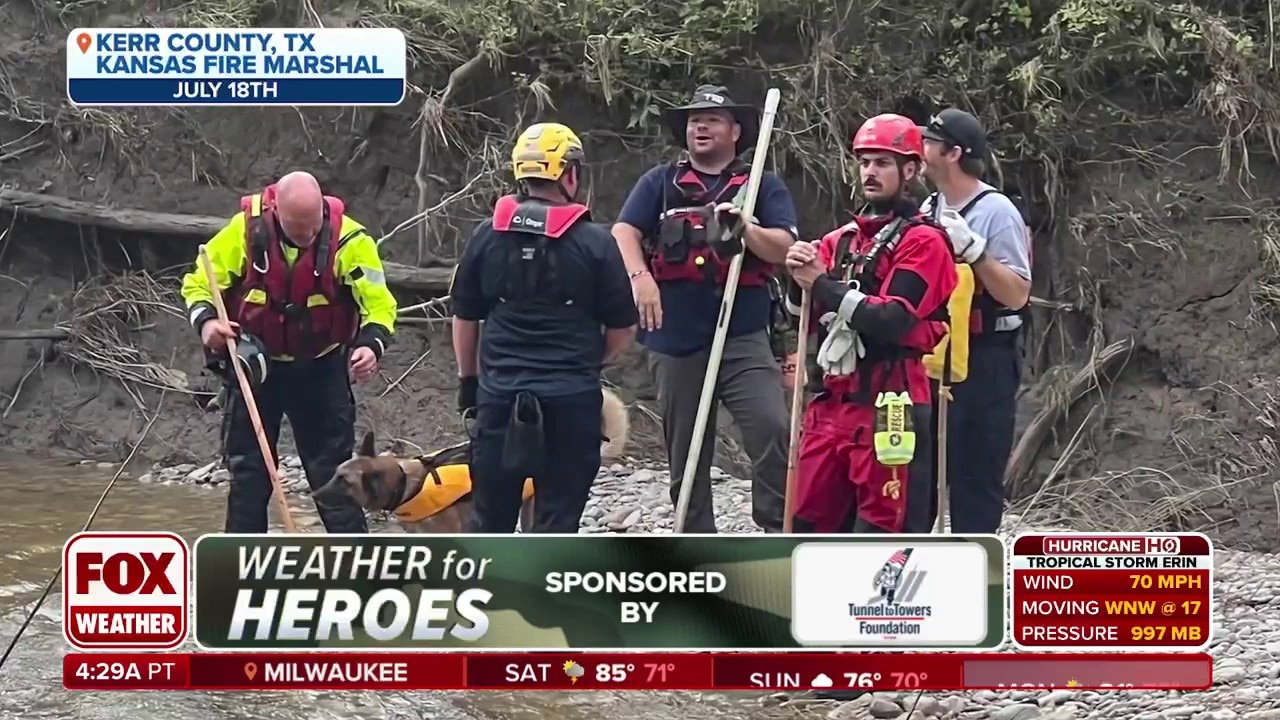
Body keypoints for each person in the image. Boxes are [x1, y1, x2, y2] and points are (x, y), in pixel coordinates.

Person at [611, 85, 798, 533]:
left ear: (735, 131)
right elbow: (623, 232)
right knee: (687, 446)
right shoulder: (659, 183)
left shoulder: (761, 187)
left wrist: (746, 227)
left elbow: (784, 246)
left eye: (711, 119)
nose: (699, 125)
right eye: (694, 119)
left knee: (771, 427)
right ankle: (695, 537)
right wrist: (642, 279)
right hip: (675, 337)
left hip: (743, 334)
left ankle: (776, 528)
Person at [180, 170, 398, 533]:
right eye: (297, 229)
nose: (307, 237)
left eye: (313, 228)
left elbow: (380, 305)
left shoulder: (351, 241)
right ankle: (243, 567)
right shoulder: (245, 232)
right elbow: (198, 284)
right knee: (249, 474)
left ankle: (358, 570)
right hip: (257, 371)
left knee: (333, 474)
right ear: (276, 210)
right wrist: (207, 325)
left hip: (321, 370)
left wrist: (370, 345)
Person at [450, 122, 638, 533]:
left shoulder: (486, 235)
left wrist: (470, 382)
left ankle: (484, 593)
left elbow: (465, 317)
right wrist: (588, 360)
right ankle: (547, 594)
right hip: (570, 400)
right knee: (557, 523)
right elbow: (623, 327)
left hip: (499, 396)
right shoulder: (595, 242)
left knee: (488, 519)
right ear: (569, 173)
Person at [784, 113, 958, 534]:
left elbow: (893, 319)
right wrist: (796, 278)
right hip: (832, 402)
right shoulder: (840, 240)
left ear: (911, 170)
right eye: (864, 162)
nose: (869, 172)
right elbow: (800, 318)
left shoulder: (925, 242)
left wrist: (820, 283)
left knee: (883, 533)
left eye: (882, 162)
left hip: (892, 402)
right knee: (808, 525)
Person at [919, 108, 1032, 534]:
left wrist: (975, 253)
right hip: (934, 354)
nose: (922, 150)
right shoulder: (929, 207)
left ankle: (975, 574)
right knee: (922, 473)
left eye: (930, 142)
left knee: (975, 475)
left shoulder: (996, 211)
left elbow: (1017, 293)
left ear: (954, 153)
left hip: (985, 358)